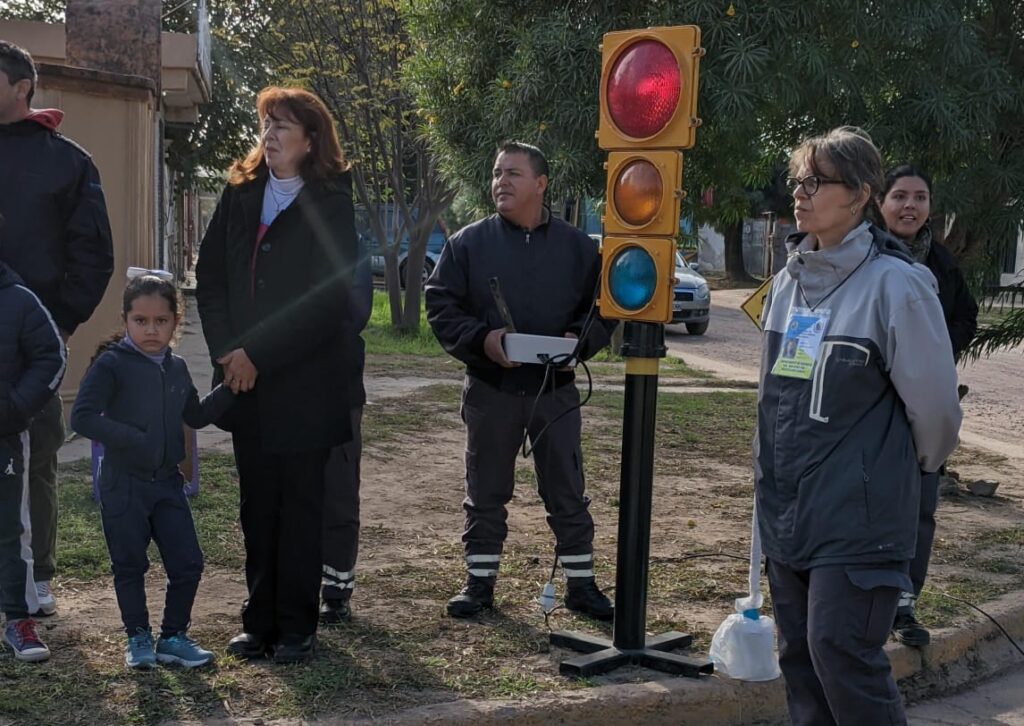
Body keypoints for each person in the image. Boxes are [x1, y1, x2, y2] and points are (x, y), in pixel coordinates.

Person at [755, 127, 962, 725]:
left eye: (817, 182)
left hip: (859, 515)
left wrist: (893, 476)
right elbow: (773, 398)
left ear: (861, 193)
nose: (801, 193)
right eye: (798, 180)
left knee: (841, 652)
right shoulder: (788, 283)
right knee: (799, 659)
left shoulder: (896, 285)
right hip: (788, 506)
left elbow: (937, 413)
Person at [195, 86, 359, 663]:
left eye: (283, 126)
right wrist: (228, 353)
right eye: (266, 124)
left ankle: (296, 625)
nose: (270, 135)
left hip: (305, 383)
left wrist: (257, 353)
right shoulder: (239, 193)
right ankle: (257, 621)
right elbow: (210, 278)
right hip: (246, 383)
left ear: (311, 140)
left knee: (301, 507)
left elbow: (328, 299)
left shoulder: (331, 202)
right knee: (257, 506)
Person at [426, 141, 614, 621]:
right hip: (491, 391)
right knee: (485, 492)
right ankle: (479, 585)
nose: (500, 182)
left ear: (541, 184)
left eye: (512, 173)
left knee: (567, 491)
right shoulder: (468, 244)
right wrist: (482, 340)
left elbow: (604, 309)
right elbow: (440, 305)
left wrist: (580, 340)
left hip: (555, 392)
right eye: (496, 173)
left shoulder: (578, 248)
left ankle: (581, 586)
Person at [0, 41, 114, 617]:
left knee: (35, 457)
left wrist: (59, 325)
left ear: (21, 87)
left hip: (31, 343)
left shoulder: (67, 161)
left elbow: (93, 255)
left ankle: (37, 575)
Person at [70, 273, 233, 669]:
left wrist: (231, 388)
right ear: (125, 319)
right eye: (140, 320)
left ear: (176, 321)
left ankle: (173, 637)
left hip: (167, 485)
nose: (151, 330)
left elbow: (195, 415)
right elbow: (82, 417)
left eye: (161, 321)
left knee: (188, 563)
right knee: (129, 566)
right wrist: (132, 438)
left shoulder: (177, 367)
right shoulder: (111, 365)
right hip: (123, 485)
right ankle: (138, 637)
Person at [878, 165, 979, 647]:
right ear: (879, 203)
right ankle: (861, 603)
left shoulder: (941, 261)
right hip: (873, 402)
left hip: (924, 403)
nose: (910, 206)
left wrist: (932, 353)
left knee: (920, 506)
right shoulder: (864, 254)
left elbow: (966, 316)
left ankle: (904, 604)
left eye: (920, 197)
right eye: (900, 196)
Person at [0, 213, 66, 662]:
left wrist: (15, 407)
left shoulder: (20, 300)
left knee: (11, 529)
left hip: (6, 438)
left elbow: (51, 356)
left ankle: (17, 619)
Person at [320, 239, 372, 624]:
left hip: (338, 388)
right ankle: (288, 585)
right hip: (280, 387)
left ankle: (337, 590)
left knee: (338, 492)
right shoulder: (276, 232)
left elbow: (355, 313)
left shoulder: (350, 243)